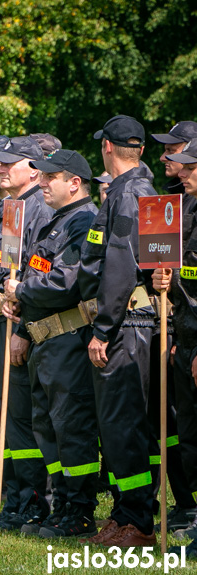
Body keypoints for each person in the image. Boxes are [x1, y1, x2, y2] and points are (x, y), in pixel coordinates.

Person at [1, 149, 100, 537]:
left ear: (74, 183)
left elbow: (65, 282)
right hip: (44, 342)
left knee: (71, 427)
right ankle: (61, 504)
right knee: (48, 426)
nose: (42, 183)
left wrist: (21, 290)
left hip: (67, 341)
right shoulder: (57, 222)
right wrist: (22, 319)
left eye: (50, 178)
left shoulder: (83, 222)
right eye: (40, 177)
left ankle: (80, 511)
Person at [78, 115, 158, 547]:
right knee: (116, 426)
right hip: (121, 321)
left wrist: (103, 329)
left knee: (124, 424)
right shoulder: (127, 191)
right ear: (140, 149)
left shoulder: (130, 194)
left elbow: (121, 264)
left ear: (107, 147)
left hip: (127, 323)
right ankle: (126, 511)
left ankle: (138, 520)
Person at [0, 136, 52, 529]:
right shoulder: (12, 207)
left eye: (8, 163)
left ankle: (35, 501)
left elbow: (36, 273)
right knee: (2, 417)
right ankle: (14, 499)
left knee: (21, 418)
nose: (0, 169)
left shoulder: (39, 208)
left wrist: (21, 327)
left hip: (21, 328)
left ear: (34, 169)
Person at [155, 140, 197, 556]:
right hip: (183, 340)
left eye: (189, 166)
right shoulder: (187, 211)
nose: (180, 172)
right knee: (190, 437)